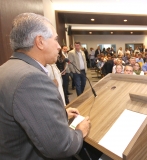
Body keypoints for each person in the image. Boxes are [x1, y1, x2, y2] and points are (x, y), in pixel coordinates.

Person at [0, 13, 90, 159]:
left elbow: (23, 115)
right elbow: (61, 146)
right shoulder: (32, 78)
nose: (59, 46)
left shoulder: (6, 68)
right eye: (55, 39)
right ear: (40, 42)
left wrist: (60, 115)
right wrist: (80, 131)